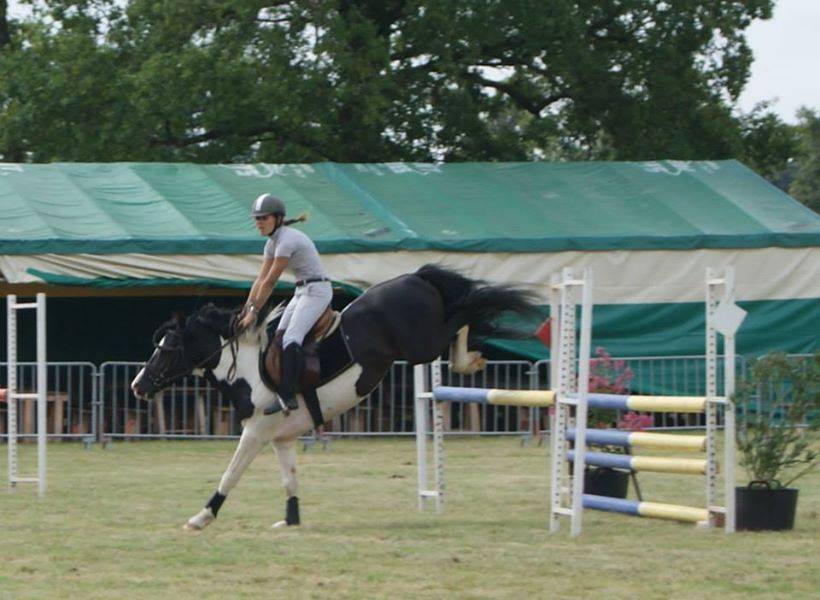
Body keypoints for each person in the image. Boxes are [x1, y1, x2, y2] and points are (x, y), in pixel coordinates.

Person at [237, 193, 332, 415]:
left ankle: (288, 395)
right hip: (302, 290)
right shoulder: (272, 244)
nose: (258, 222)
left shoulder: (287, 240)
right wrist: (246, 309)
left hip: (317, 291)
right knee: (279, 335)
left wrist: (255, 312)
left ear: (278, 219)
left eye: (263, 218)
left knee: (291, 338)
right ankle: (284, 386)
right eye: (257, 218)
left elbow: (270, 281)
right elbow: (259, 280)